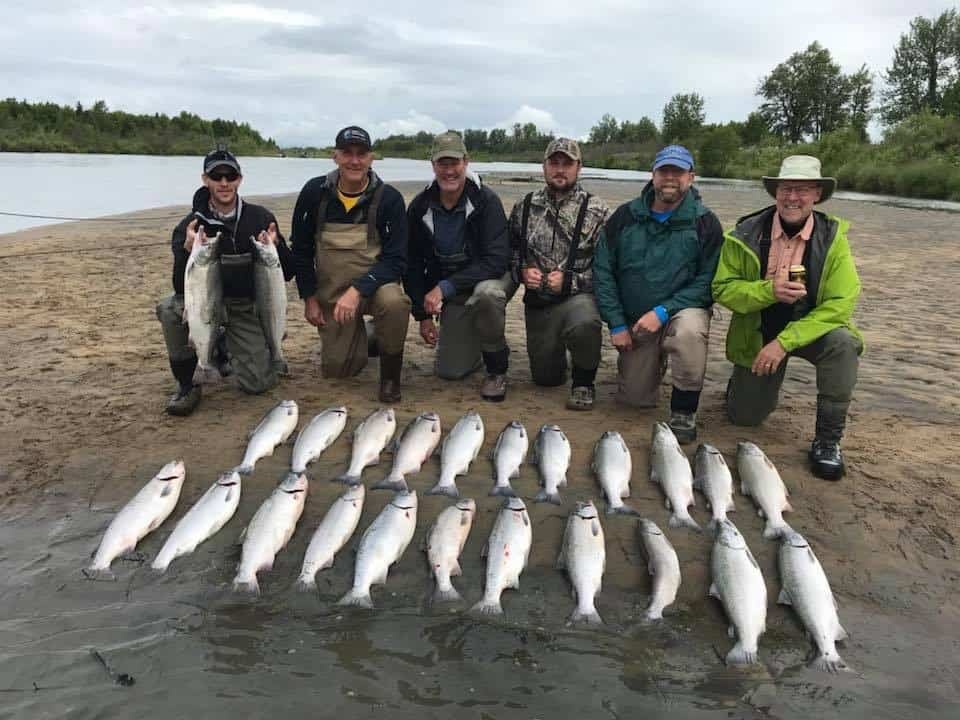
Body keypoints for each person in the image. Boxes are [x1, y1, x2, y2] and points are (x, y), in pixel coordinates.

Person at [712, 155, 862, 480]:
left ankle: (828, 441)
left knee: (844, 343)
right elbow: (722, 290)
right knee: (744, 418)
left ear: (817, 195)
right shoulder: (743, 233)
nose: (792, 197)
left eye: (802, 190)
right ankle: (742, 387)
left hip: (808, 333)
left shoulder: (834, 239)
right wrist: (768, 291)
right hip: (758, 332)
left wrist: (784, 342)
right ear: (775, 192)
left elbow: (840, 305)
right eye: (786, 189)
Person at [593, 145, 723, 442]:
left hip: (679, 314)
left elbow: (707, 282)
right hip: (636, 322)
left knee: (689, 331)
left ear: (691, 177)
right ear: (653, 175)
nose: (670, 178)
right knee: (633, 400)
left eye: (678, 172)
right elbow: (603, 271)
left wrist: (663, 311)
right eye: (664, 171)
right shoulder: (625, 216)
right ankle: (654, 361)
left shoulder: (706, 223)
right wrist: (616, 323)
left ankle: (683, 410)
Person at [157, 147, 295, 416]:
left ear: (239, 179)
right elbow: (179, 286)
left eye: (229, 176)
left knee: (258, 384)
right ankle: (188, 384)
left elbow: (287, 272)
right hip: (205, 304)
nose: (223, 183)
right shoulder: (190, 227)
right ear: (205, 179)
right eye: (216, 176)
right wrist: (187, 250)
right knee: (170, 310)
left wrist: (276, 246)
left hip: (244, 307)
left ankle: (223, 346)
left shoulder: (261, 218)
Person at [290, 126, 411, 402]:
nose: (354, 161)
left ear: (371, 158)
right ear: (335, 157)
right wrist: (309, 298)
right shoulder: (314, 192)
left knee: (394, 304)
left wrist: (358, 290)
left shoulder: (389, 198)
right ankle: (368, 337)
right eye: (347, 153)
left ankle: (390, 378)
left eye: (361, 154)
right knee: (338, 370)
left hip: (374, 289)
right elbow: (301, 249)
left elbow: (396, 259)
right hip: (332, 294)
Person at [405, 131, 511, 401]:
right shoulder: (419, 207)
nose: (449, 171)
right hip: (454, 293)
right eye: (443, 163)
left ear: (466, 162)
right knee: (449, 371)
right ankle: (472, 339)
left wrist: (444, 287)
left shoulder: (487, 202)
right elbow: (412, 264)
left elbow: (496, 260)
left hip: (491, 279)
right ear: (433, 165)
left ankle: (497, 369)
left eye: (455, 163)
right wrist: (423, 315)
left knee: (487, 296)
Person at [507, 138, 608, 410]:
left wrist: (572, 281)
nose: (560, 169)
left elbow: (607, 270)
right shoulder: (524, 205)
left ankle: (584, 383)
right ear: (544, 167)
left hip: (578, 297)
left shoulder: (597, 210)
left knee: (586, 322)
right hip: (539, 303)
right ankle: (559, 356)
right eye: (554, 163)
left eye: (567, 163)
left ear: (579, 167)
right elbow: (510, 252)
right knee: (545, 379)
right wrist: (522, 271)